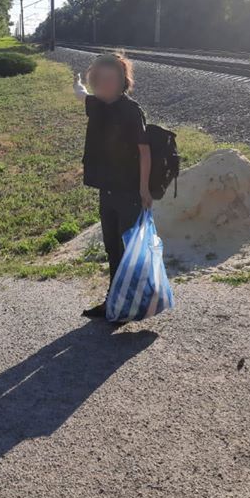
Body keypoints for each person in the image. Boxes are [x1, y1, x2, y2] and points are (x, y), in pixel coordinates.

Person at [72, 53, 152, 318]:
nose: (105, 84)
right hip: (106, 190)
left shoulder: (130, 110)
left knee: (129, 250)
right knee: (112, 247)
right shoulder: (97, 105)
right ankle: (114, 302)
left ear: (122, 81)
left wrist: (144, 190)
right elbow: (80, 95)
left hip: (129, 192)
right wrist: (78, 83)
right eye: (100, 79)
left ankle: (135, 302)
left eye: (111, 79)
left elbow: (144, 152)